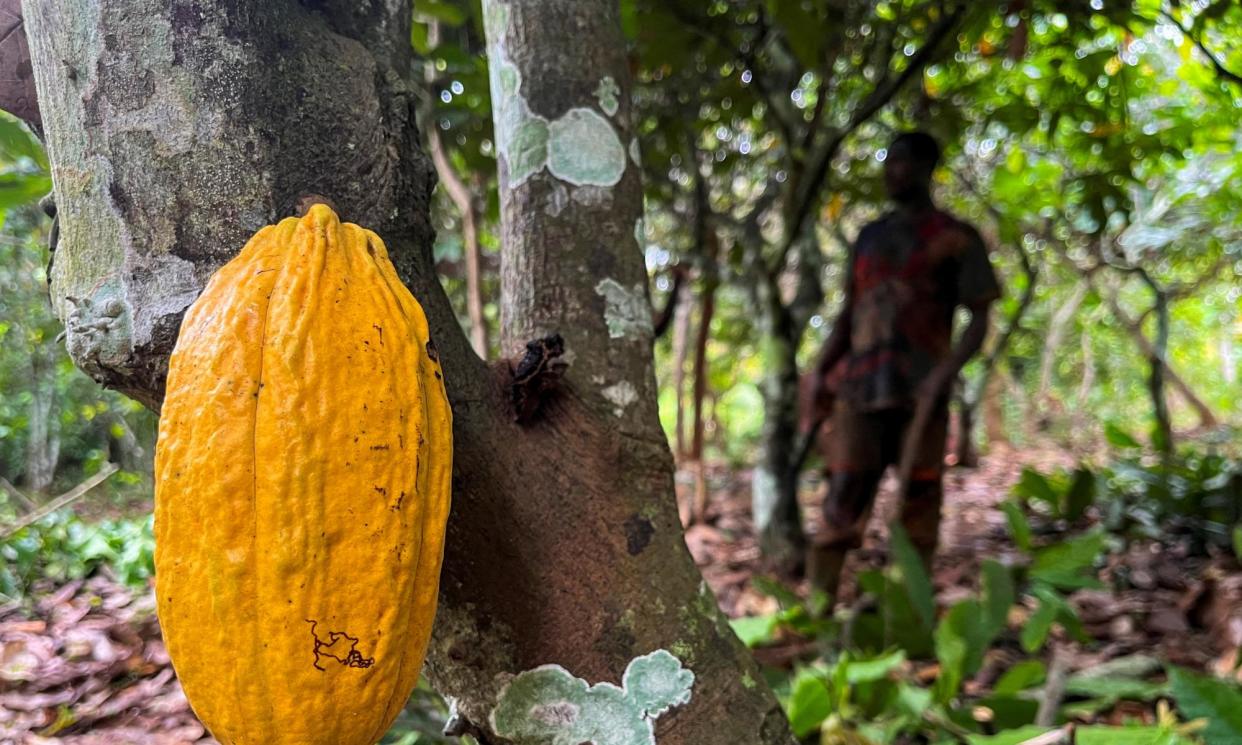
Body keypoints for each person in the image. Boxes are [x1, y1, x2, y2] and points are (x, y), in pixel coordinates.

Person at [806, 131, 1001, 598]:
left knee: (918, 497)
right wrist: (819, 374)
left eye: (902, 162)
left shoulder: (956, 238)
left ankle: (904, 612)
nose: (892, 171)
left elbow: (979, 318)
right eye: (887, 161)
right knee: (843, 498)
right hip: (860, 388)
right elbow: (850, 314)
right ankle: (817, 607)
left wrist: (942, 376)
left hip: (921, 390)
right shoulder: (870, 237)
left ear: (925, 169)